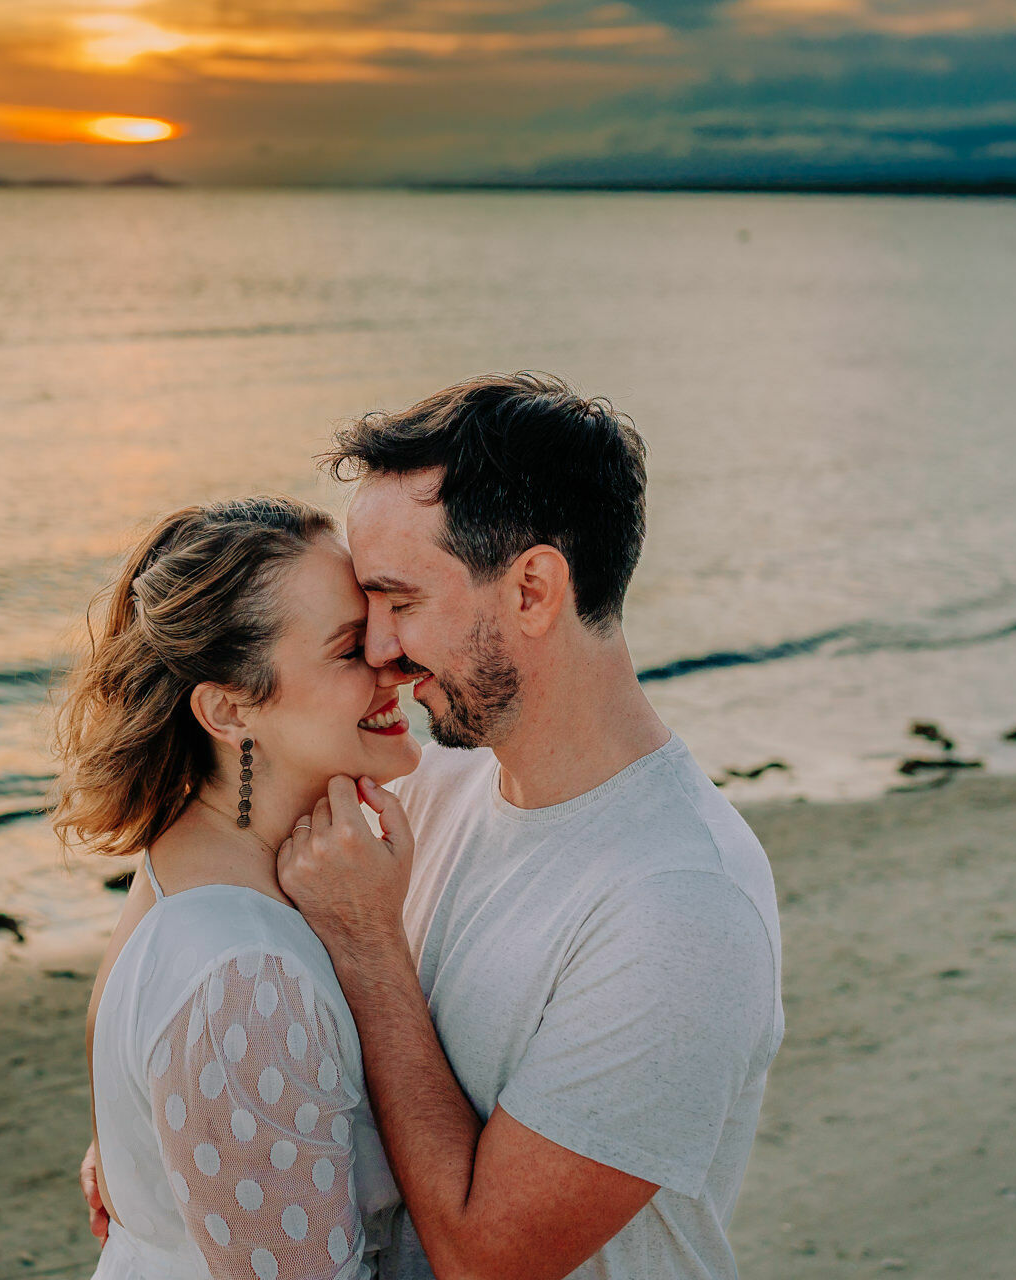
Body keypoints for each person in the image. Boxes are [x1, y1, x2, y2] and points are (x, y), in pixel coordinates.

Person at [275, 373, 785, 1280]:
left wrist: (366, 944)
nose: (380, 650)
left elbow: (487, 1259)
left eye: (401, 601)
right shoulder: (436, 783)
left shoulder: (680, 905)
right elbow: (197, 840)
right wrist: (145, 1127)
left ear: (535, 589)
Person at [54, 495, 424, 1280]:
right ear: (228, 709)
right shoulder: (241, 978)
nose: (396, 660)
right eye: (352, 647)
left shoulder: (182, 862)